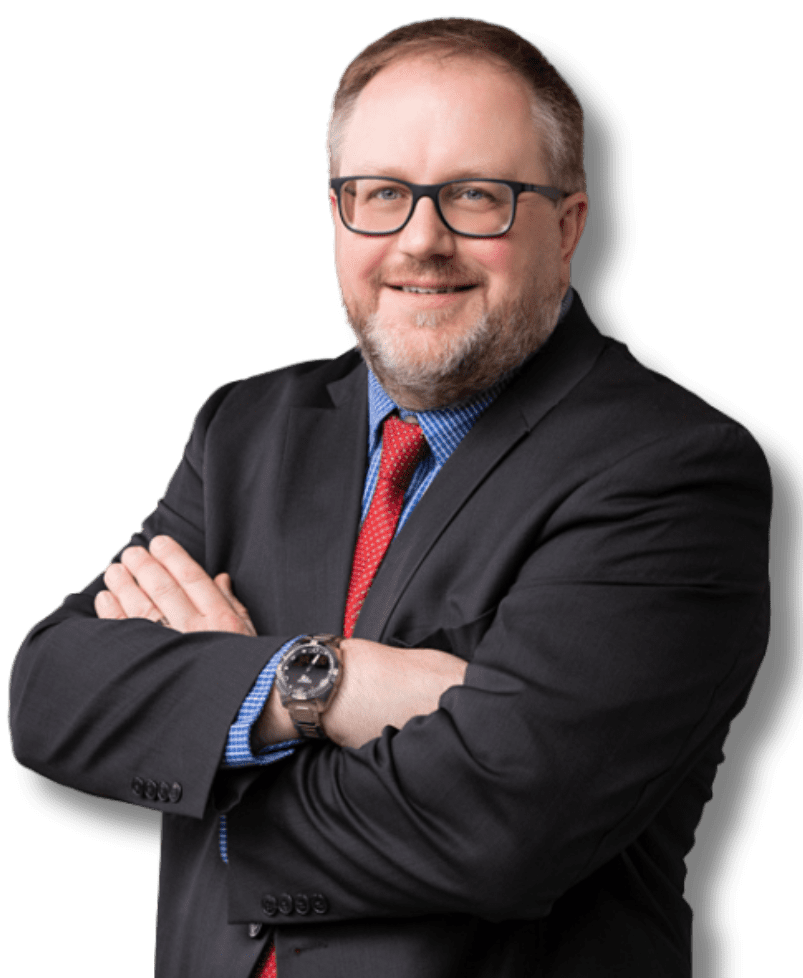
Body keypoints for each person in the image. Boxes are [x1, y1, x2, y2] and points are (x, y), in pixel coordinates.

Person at [9, 18, 773, 978]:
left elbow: (506, 824)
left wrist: (212, 745)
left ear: (569, 225)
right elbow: (53, 697)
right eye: (378, 196)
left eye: (475, 196)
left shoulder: (671, 470)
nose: (421, 240)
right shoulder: (246, 428)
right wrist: (328, 682)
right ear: (337, 215)